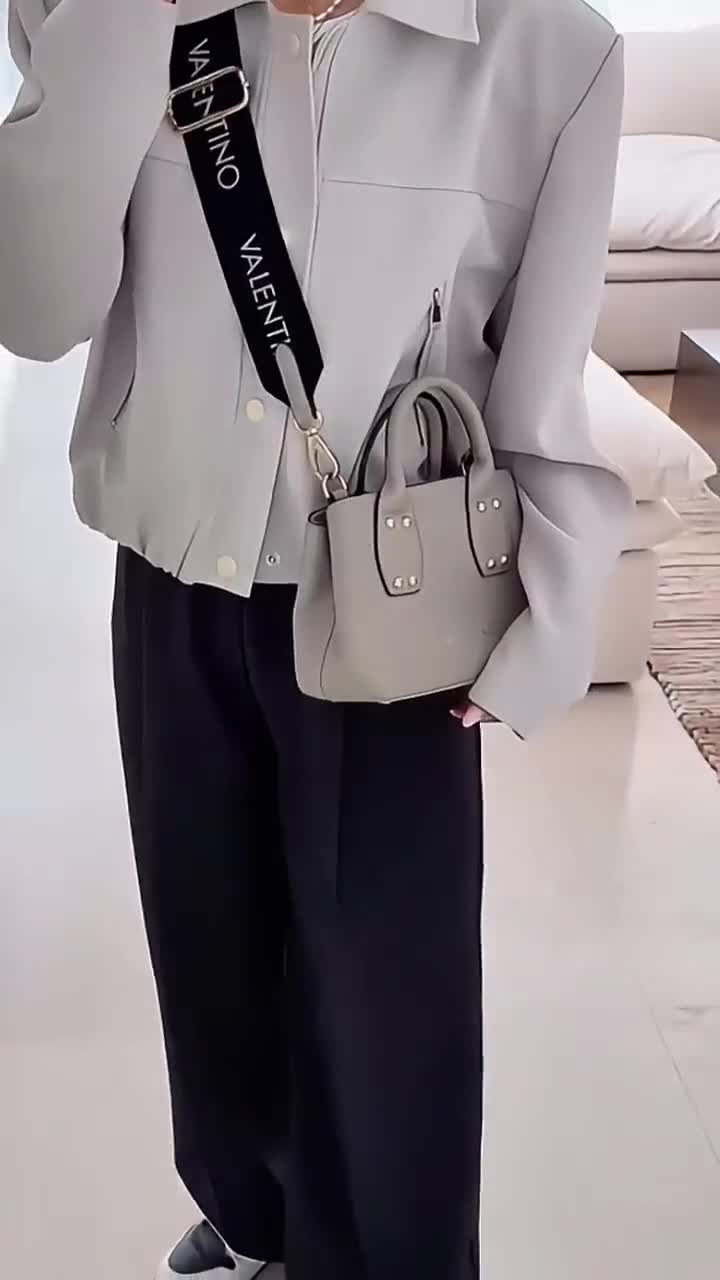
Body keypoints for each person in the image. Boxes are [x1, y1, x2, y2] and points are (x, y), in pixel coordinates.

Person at [0, 0, 631, 1276]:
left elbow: (544, 373)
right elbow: (31, 302)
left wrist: (547, 625)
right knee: (205, 950)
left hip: (394, 609)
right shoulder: (99, 14)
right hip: (172, 577)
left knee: (392, 1010)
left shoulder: (547, 53)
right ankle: (255, 1221)